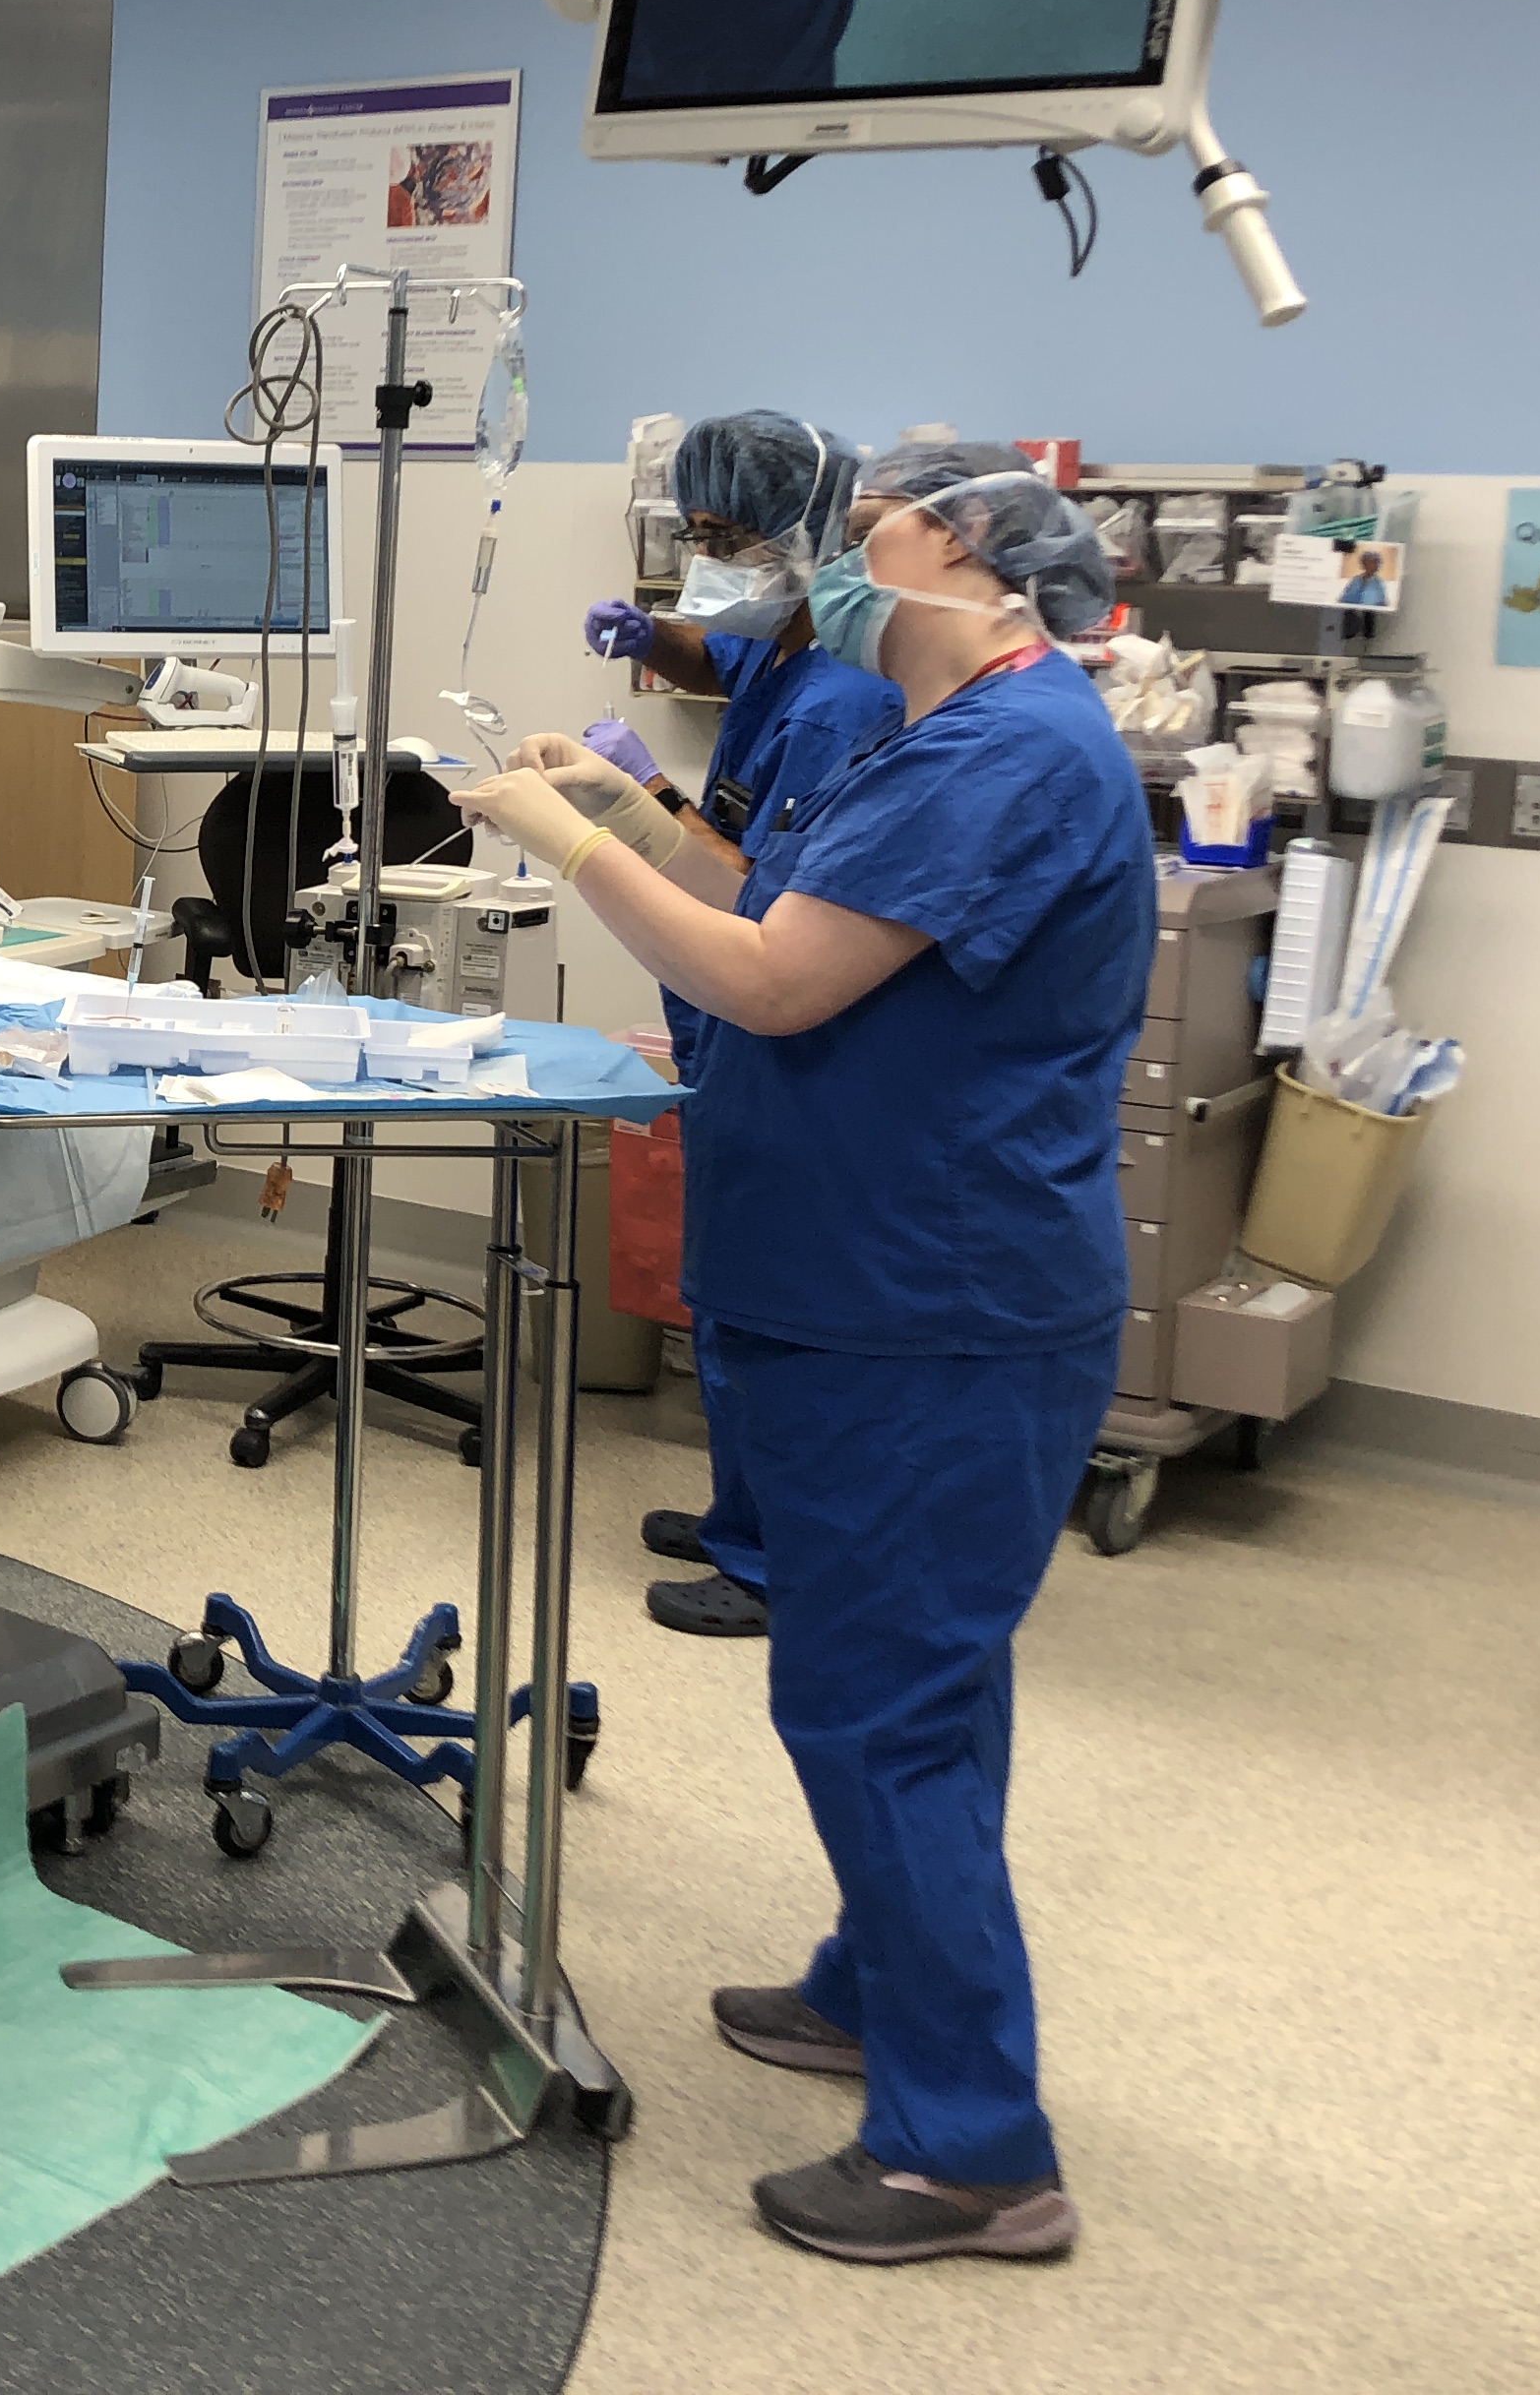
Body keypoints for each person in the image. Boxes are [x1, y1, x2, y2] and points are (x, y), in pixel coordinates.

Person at [459, 445, 1148, 2269]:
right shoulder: (942, 737)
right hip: (866, 1278)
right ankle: (873, 1984)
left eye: (870, 535)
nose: (830, 562)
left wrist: (568, 849)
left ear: (974, 560)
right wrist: (625, 803)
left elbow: (769, 983)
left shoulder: (1009, 755)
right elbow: (774, 898)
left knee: (883, 1703)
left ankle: (968, 2151)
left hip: (931, 1304)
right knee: (916, 1683)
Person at [574, 412, 896, 1639]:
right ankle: (741, 1514)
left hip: (780, 1039)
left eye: (726, 540)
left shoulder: (841, 703)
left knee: (769, 1303)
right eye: (693, 536)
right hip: (727, 1034)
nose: (707, 563)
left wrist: (634, 797)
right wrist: (651, 636)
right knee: (728, 1288)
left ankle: (772, 1560)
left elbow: (757, 897)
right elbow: (721, 652)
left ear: (808, 540)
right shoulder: (784, 643)